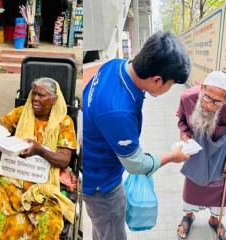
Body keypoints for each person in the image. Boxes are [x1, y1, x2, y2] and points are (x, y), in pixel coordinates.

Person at [83, 31, 191, 240]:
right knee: (112, 231)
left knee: (102, 230)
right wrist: (173, 156)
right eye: (171, 84)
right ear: (157, 80)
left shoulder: (114, 65)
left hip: (96, 165)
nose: (170, 89)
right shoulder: (119, 111)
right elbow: (136, 165)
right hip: (101, 186)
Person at [0, 78, 78, 239]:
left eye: (41, 95)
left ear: (54, 99)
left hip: (43, 186)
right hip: (12, 180)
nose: (35, 99)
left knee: (49, 222)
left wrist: (39, 150)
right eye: (34, 94)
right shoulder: (22, 112)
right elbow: (3, 123)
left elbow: (64, 160)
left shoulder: (64, 122)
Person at [176, 71, 226, 240]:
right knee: (193, 184)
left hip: (220, 154)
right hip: (197, 151)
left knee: (219, 186)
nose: (209, 105)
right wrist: (184, 134)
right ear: (202, 88)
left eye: (217, 102)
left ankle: (215, 220)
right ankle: (189, 216)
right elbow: (182, 121)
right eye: (207, 97)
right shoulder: (187, 97)